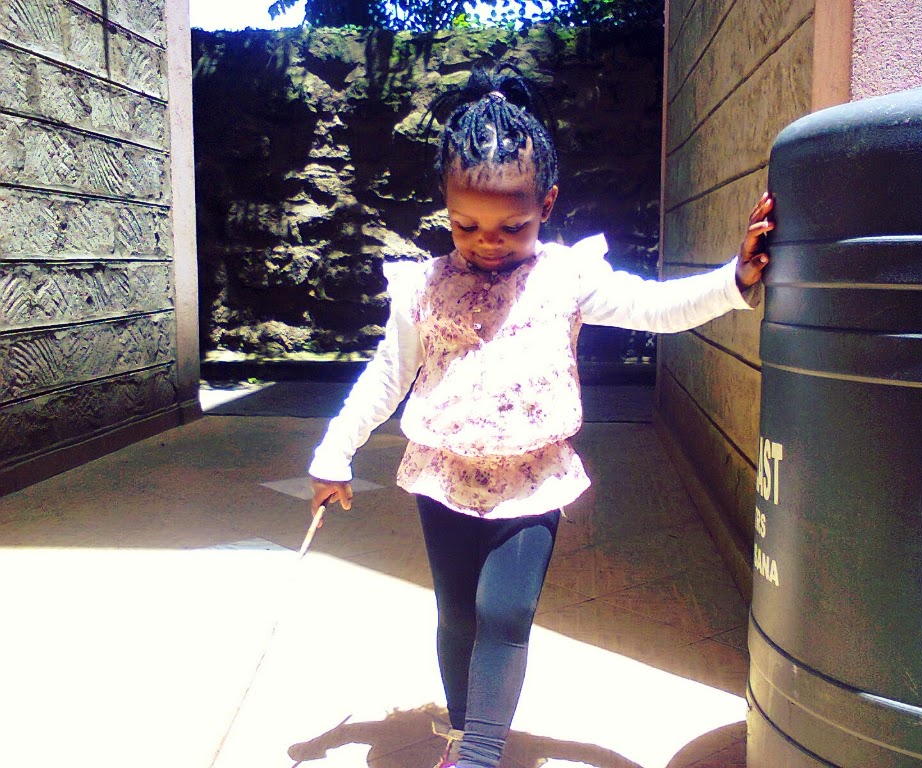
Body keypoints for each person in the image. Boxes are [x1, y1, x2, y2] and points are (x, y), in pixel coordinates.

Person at [308, 63, 774, 768]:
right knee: (457, 612)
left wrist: (733, 280)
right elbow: (387, 375)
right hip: (443, 475)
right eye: (465, 224)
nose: (487, 241)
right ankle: (461, 731)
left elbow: (655, 307)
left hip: (532, 478)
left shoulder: (568, 277)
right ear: (445, 205)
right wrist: (333, 452)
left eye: (511, 225)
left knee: (505, 614)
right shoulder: (423, 288)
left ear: (547, 202)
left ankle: (478, 755)